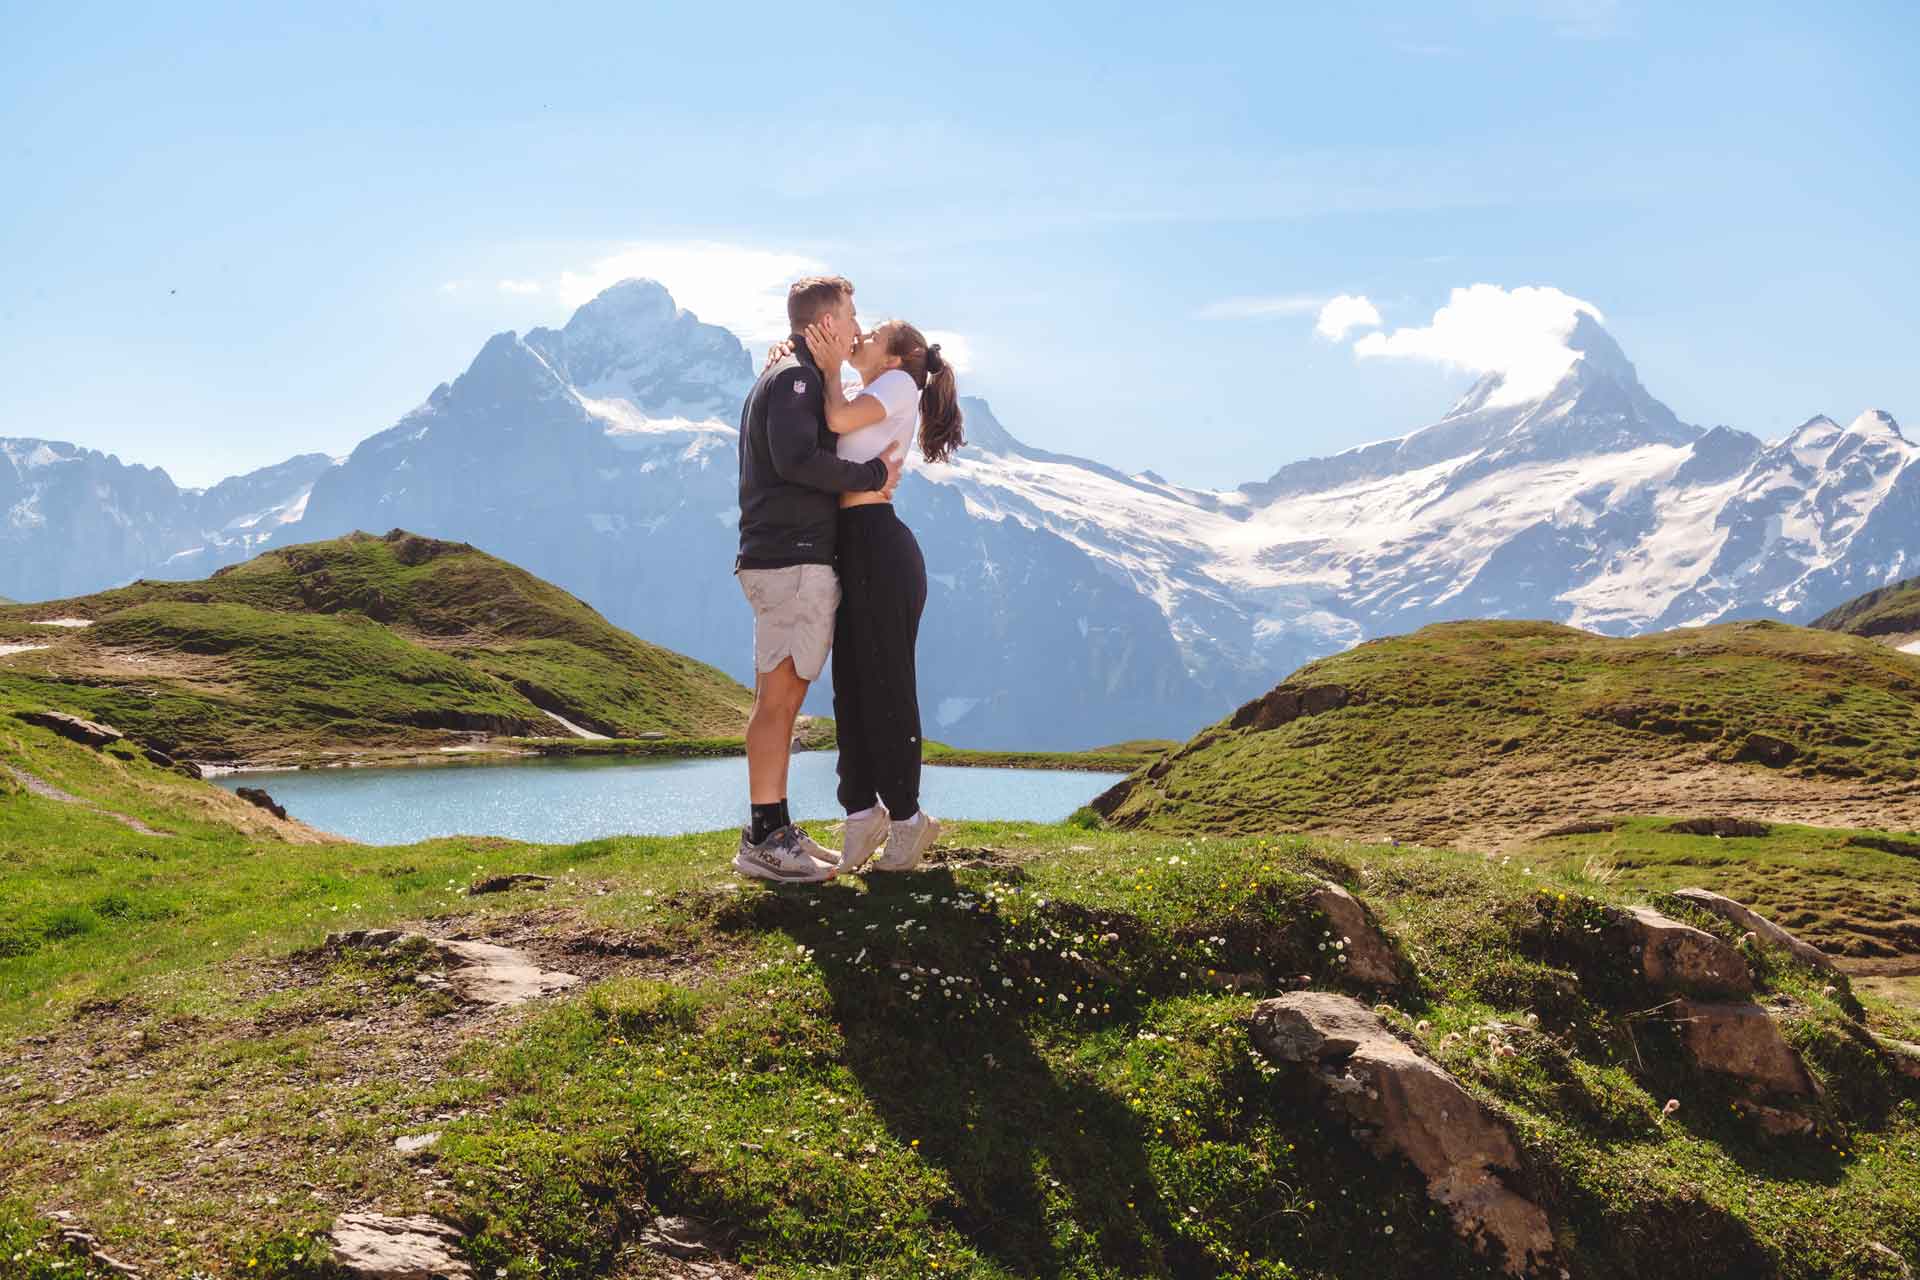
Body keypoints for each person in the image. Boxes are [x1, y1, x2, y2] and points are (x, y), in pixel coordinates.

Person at [733, 276, 904, 883]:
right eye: (851, 314)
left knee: (779, 698)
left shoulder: (791, 374)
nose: (858, 327)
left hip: (780, 558)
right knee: (780, 700)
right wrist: (871, 472)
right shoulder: (796, 378)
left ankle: (772, 826)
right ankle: (765, 838)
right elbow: (795, 460)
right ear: (826, 322)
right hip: (792, 561)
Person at [797, 313, 966, 873]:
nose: (860, 336)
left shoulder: (898, 384)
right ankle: (860, 811)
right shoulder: (873, 386)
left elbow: (836, 416)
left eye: (871, 337)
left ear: (894, 358)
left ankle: (909, 818)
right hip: (852, 546)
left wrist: (824, 366)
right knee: (850, 687)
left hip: (878, 547)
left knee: (886, 685)